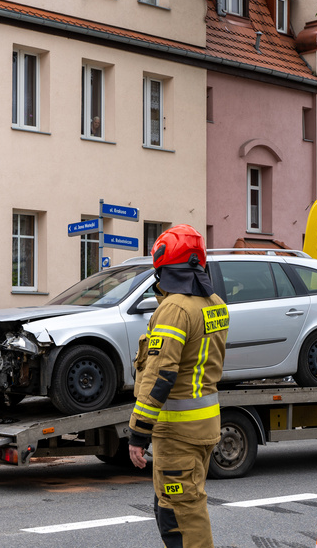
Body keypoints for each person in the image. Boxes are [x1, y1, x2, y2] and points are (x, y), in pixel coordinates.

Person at [128, 224, 229, 548]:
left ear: (163, 266)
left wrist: (138, 433)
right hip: (202, 426)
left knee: (182, 513)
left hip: (177, 433)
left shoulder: (174, 309)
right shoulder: (214, 304)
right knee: (173, 506)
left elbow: (161, 375)